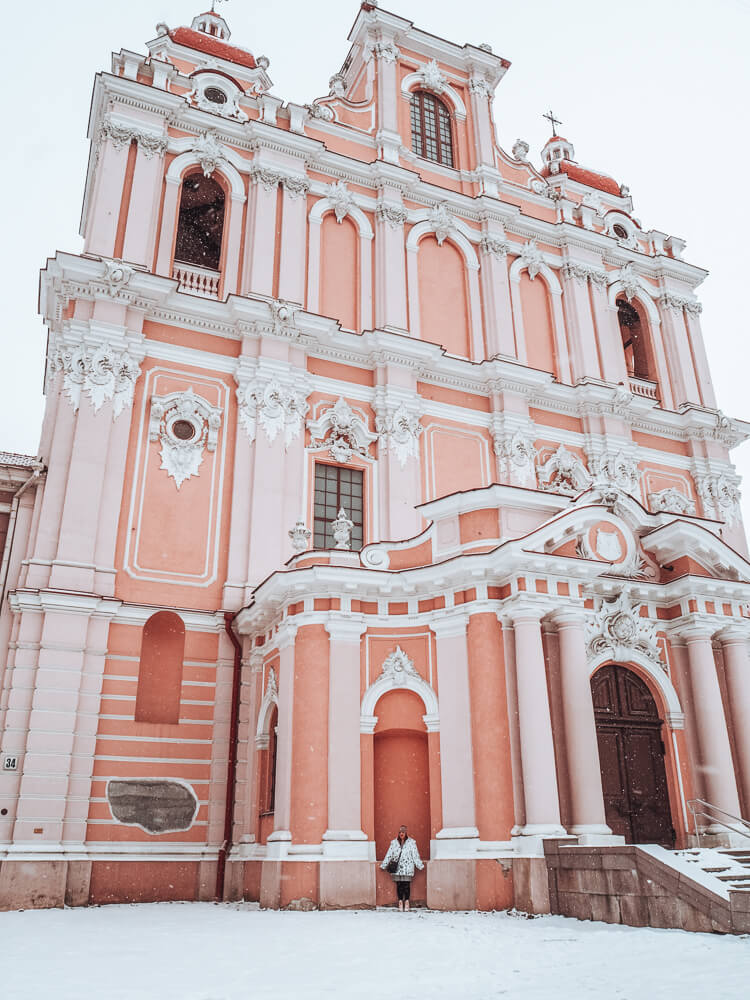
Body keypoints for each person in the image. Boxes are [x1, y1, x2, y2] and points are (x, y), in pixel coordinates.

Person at [380, 824, 424, 911]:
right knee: (399, 885)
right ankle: (400, 902)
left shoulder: (411, 843)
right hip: (397, 868)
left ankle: (407, 903)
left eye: (403, 832)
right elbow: (389, 854)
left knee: (406, 885)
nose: (401, 834)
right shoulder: (394, 843)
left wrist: (420, 865)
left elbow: (415, 855)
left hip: (407, 867)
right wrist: (384, 865)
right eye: (400, 832)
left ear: (406, 833)